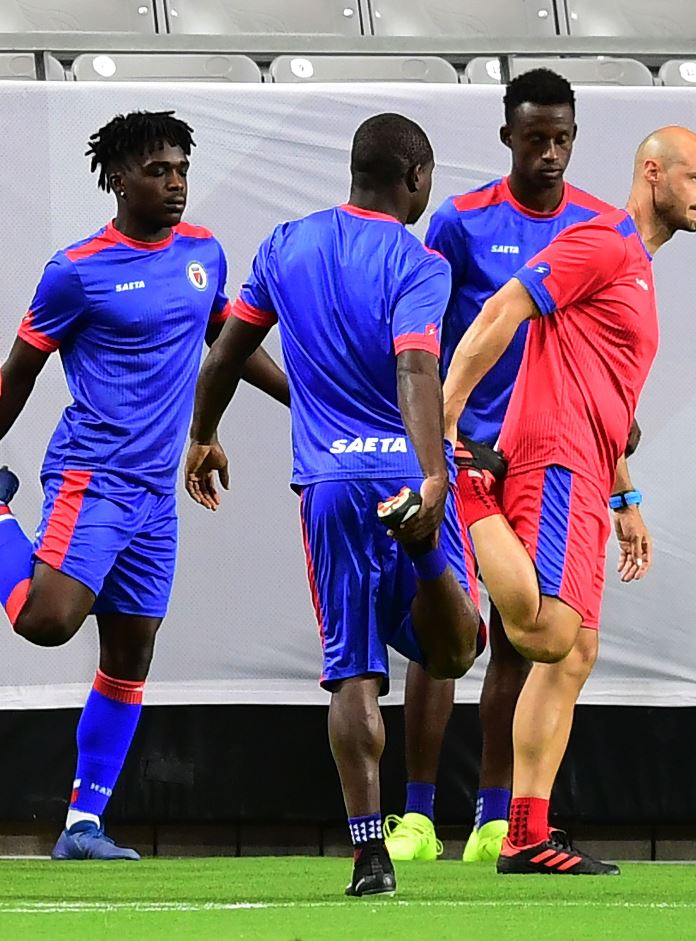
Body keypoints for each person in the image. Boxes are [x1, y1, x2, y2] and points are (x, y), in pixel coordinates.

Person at [184, 113, 484, 898]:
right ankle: (421, 550)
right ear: (415, 179)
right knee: (452, 652)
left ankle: (368, 856)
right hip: (403, 471)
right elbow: (416, 367)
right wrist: (431, 475)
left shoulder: (286, 245)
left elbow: (226, 350)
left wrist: (202, 435)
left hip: (328, 485)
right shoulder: (417, 261)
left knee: (352, 669)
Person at [0, 111, 286, 861]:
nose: (176, 183)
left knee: (130, 655)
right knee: (45, 620)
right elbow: (18, 374)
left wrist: (286, 404)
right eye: (159, 171)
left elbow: (226, 346)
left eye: (182, 169)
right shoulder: (76, 269)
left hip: (156, 495)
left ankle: (81, 824)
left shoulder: (203, 253)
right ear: (119, 179)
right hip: (92, 477)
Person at [382, 67, 647, 866]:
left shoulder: (602, 225)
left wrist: (626, 485)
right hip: (465, 451)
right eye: (535, 139)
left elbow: (609, 369)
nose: (551, 154)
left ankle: (499, 816)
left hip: (546, 457)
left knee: (523, 637)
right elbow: (424, 334)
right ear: (508, 137)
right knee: (445, 632)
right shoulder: (462, 224)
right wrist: (438, 437)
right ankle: (421, 814)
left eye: (563, 139)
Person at [443, 125, 696, 875]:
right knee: (544, 633)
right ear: (653, 172)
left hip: (592, 466)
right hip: (554, 454)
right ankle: (464, 494)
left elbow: (611, 395)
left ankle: (527, 833)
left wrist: (628, 494)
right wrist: (443, 420)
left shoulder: (637, 267)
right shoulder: (603, 243)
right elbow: (498, 310)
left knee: (575, 654)